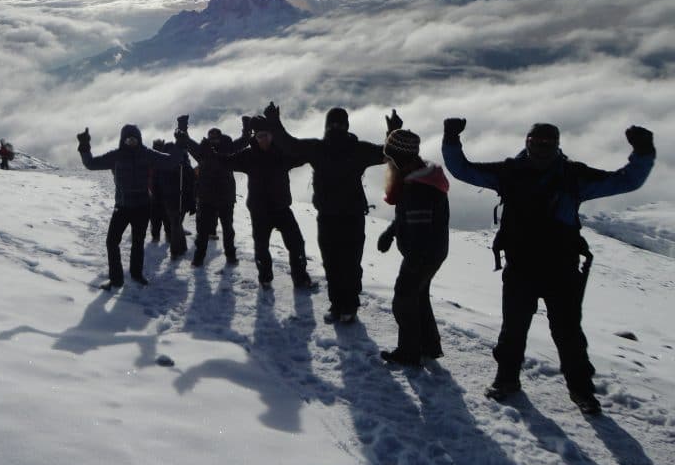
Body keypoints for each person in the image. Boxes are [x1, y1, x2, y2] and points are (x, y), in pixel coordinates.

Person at [442, 119, 655, 414]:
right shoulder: (511, 172)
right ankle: (508, 381)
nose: (541, 147)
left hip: (559, 270)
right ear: (527, 141)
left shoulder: (571, 176)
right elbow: (462, 169)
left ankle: (581, 391)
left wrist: (643, 152)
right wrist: (451, 139)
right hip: (526, 268)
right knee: (515, 330)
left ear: (557, 145)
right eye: (536, 141)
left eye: (547, 143)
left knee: (567, 334)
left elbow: (626, 180)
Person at [265, 102, 402, 324]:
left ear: (327, 126)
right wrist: (393, 132)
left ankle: (339, 306)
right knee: (350, 262)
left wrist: (273, 121)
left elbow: (288, 145)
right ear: (346, 126)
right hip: (353, 217)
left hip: (328, 218)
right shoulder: (358, 150)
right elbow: (388, 153)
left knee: (333, 263)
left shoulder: (317, 148)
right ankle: (348, 307)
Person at [180, 114, 314, 290]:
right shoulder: (247, 156)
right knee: (260, 246)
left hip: (281, 207)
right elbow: (226, 161)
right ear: (256, 137)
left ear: (271, 135)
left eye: (266, 135)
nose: (263, 139)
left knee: (296, 244)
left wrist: (278, 127)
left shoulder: (281, 154)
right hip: (257, 210)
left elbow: (299, 152)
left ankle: (301, 278)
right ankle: (265, 278)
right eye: (259, 136)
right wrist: (210, 153)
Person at [77, 124, 186, 290]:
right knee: (111, 242)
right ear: (123, 139)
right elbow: (91, 164)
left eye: (134, 138)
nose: (131, 141)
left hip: (142, 206)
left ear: (139, 138)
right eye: (128, 138)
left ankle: (136, 274)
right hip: (122, 207)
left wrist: (180, 144)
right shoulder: (116, 155)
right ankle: (116, 280)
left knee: (137, 242)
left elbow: (171, 161)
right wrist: (85, 146)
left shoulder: (147, 154)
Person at [375, 129, 450, 367]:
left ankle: (409, 353)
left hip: (422, 254)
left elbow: (419, 227)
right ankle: (429, 346)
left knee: (403, 300)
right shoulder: (419, 176)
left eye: (389, 157)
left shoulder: (418, 187)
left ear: (398, 158)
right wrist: (390, 233)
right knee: (418, 297)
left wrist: (413, 261)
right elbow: (408, 217)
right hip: (432, 252)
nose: (387, 162)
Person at [181, 123, 250, 268]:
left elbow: (245, 140)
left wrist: (247, 126)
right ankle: (207, 258)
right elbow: (186, 141)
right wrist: (182, 127)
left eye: (215, 137)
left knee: (225, 230)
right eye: (211, 137)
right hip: (211, 198)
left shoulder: (226, 148)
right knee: (207, 231)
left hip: (221, 198)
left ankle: (223, 257)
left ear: (220, 137)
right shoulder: (205, 150)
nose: (213, 140)